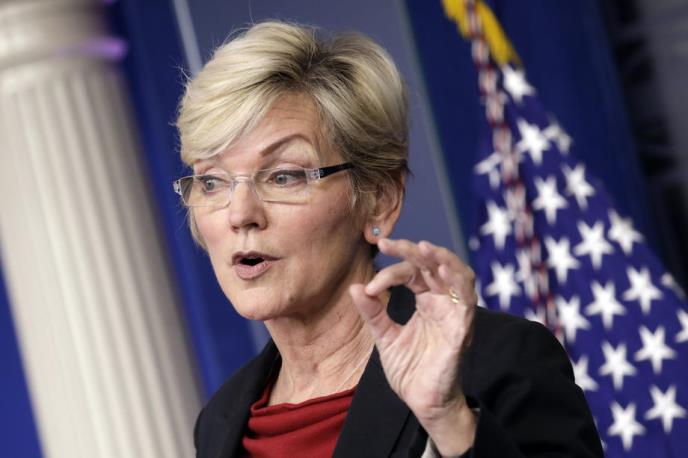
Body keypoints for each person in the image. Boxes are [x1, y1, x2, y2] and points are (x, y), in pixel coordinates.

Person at [173, 21, 603, 458]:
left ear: (379, 200)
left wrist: (449, 419)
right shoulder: (220, 422)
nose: (240, 214)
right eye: (212, 182)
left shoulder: (496, 364)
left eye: (284, 176)